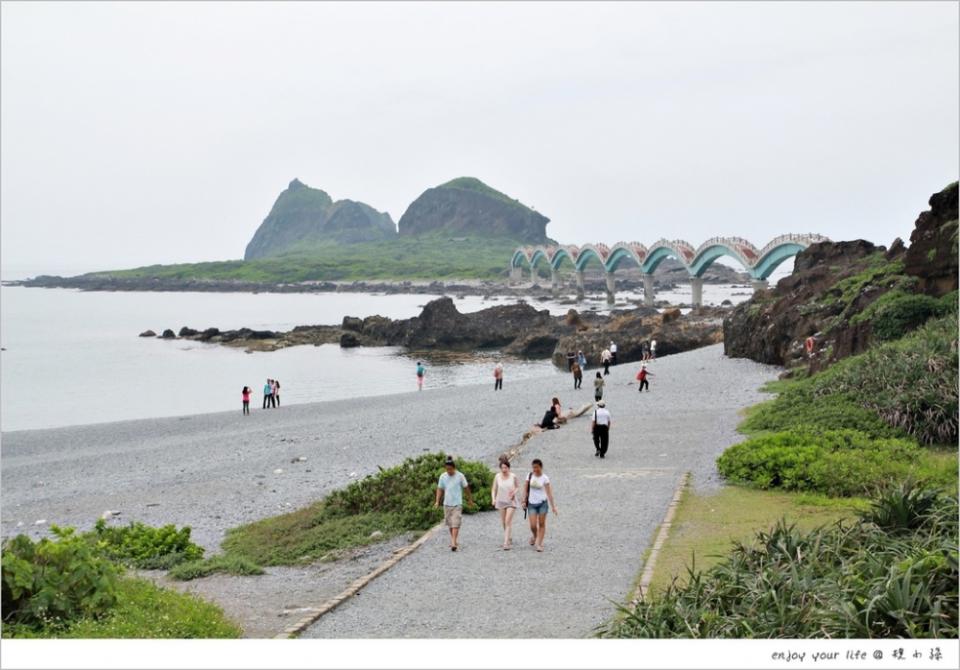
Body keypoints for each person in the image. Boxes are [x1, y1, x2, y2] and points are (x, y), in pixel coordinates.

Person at [434, 456, 474, 551]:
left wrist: (470, 499)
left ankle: (453, 542)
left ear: (454, 468)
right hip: (447, 503)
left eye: (450, 469)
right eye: (447, 469)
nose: (449, 471)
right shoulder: (443, 477)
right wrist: (437, 501)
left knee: (456, 523)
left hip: (457, 503)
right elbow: (440, 489)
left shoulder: (460, 476)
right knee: (450, 524)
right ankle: (454, 540)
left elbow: (466, 488)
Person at [522, 458, 558, 552]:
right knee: (533, 525)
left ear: (541, 467)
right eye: (533, 467)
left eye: (536, 467)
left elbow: (549, 493)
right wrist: (523, 501)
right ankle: (535, 536)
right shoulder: (529, 476)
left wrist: (553, 506)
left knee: (541, 524)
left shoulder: (545, 478)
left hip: (542, 503)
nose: (535, 469)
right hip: (531, 504)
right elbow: (525, 489)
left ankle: (539, 543)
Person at [491, 457, 520, 549]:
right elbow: (494, 489)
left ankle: (506, 543)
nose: (504, 470)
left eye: (505, 468)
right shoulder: (497, 476)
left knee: (508, 521)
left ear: (509, 468)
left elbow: (517, 487)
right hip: (500, 501)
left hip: (511, 501)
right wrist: (493, 499)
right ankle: (509, 538)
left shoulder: (513, 476)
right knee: (504, 522)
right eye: (502, 468)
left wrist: (514, 493)